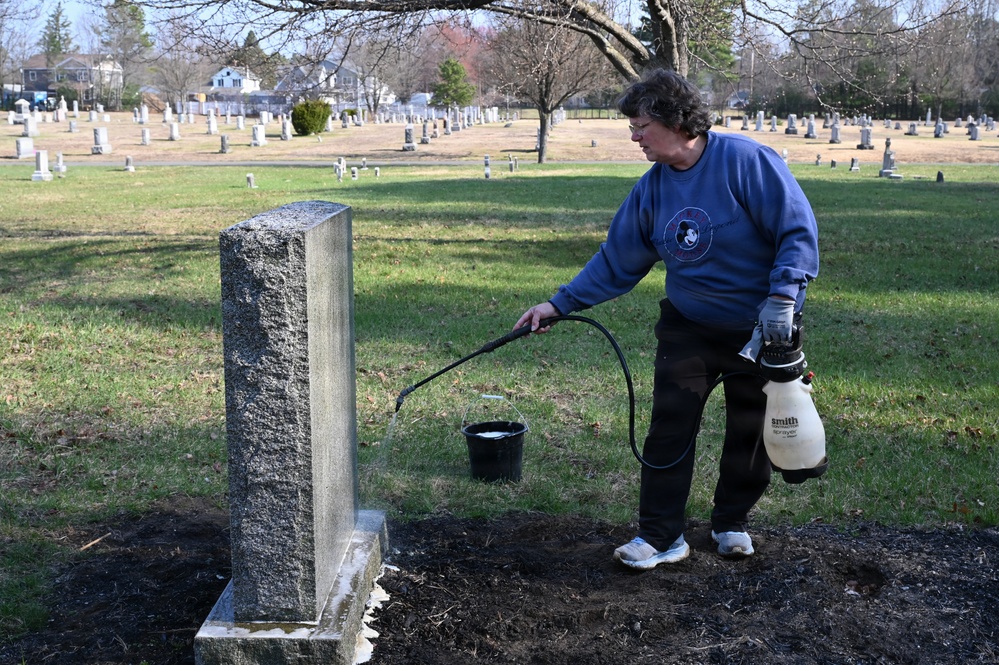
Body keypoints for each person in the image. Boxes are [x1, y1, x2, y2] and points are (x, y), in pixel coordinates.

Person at [514, 69, 819, 569]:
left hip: (760, 327)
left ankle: (731, 522)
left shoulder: (746, 162)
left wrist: (783, 298)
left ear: (677, 122)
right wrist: (558, 304)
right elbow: (617, 260)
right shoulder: (652, 189)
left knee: (750, 429)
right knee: (669, 428)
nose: (634, 137)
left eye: (641, 126)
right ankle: (660, 536)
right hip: (688, 325)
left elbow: (796, 231)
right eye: (632, 127)